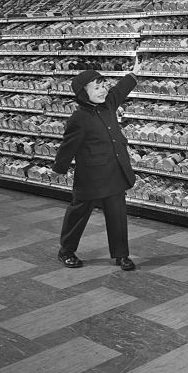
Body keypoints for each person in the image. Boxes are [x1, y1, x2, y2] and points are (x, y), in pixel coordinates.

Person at [52, 57, 141, 271]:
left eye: (103, 86)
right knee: (78, 214)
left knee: (117, 215)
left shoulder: (108, 104)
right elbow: (68, 146)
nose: (103, 91)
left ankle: (121, 255)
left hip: (114, 171)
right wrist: (59, 169)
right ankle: (66, 250)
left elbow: (120, 90)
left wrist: (134, 73)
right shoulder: (78, 118)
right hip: (90, 177)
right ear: (83, 93)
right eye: (96, 88)